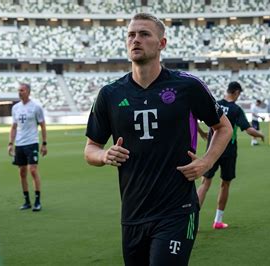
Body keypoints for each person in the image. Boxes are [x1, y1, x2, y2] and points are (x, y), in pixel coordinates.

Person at [84, 13, 232, 266]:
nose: (136, 40)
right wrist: (104, 155)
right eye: (131, 35)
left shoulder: (187, 86)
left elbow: (223, 127)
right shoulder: (110, 93)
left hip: (177, 209)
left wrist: (207, 162)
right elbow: (90, 149)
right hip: (133, 212)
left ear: (162, 43)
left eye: (144, 34)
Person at [196, 81, 264, 229]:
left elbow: (195, 118)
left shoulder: (215, 104)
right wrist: (260, 135)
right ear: (236, 92)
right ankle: (218, 221)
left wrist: (202, 133)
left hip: (212, 150)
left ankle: (192, 220)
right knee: (225, 184)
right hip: (228, 151)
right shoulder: (236, 109)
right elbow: (248, 129)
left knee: (204, 183)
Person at [8, 82, 47, 212]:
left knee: (33, 170)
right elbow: (14, 127)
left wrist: (44, 143)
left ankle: (37, 201)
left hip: (32, 143)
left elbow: (42, 125)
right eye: (19, 90)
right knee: (22, 172)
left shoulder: (36, 107)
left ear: (28, 92)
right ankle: (27, 201)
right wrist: (10, 143)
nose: (20, 92)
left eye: (22, 90)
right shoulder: (15, 108)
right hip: (19, 144)